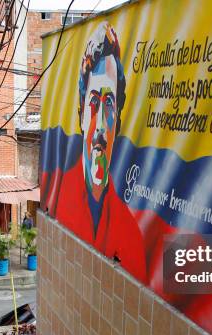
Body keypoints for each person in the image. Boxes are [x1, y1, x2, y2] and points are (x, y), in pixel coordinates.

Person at [41, 22, 147, 283]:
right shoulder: (55, 192)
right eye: (94, 102)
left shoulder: (130, 233)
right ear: (81, 115)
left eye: (109, 104)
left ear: (119, 121)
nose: (100, 124)